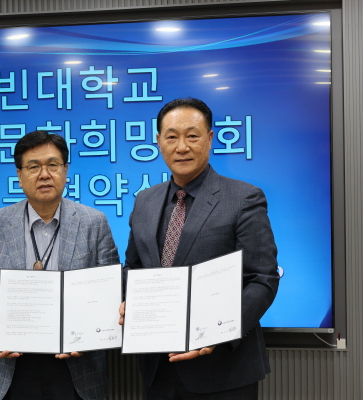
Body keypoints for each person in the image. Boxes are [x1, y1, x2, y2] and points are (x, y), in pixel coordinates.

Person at [119, 97, 280, 399]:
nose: (181, 147)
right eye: (171, 137)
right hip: (158, 369)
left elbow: (262, 278)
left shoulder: (243, 198)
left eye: (192, 136)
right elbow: (134, 267)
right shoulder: (145, 201)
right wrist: (130, 300)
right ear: (158, 142)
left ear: (209, 138)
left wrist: (218, 332)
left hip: (223, 370)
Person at [0, 130, 119, 400]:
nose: (44, 174)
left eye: (53, 165)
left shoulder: (94, 223)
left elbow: (110, 290)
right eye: (33, 167)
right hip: (12, 367)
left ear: (65, 171)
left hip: (77, 367)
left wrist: (91, 334)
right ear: (19, 176)